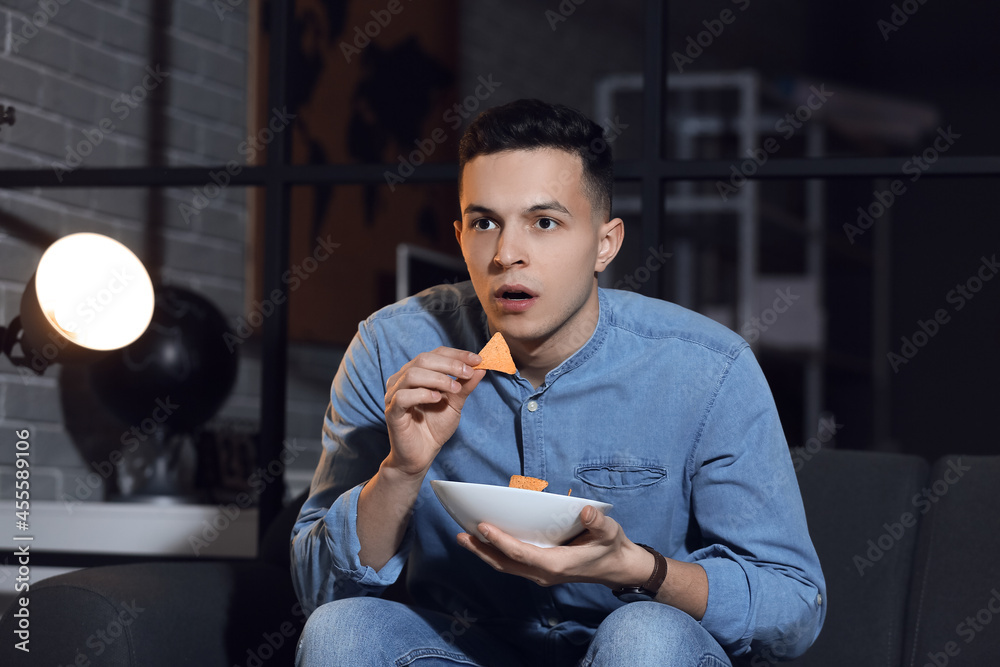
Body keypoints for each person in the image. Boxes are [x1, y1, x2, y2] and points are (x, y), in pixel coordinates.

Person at [291, 99, 826, 666]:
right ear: (460, 235)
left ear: (605, 243)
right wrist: (400, 473)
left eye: (544, 222)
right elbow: (316, 592)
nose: (506, 255)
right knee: (343, 630)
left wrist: (639, 569)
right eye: (484, 223)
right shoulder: (389, 348)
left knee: (645, 636)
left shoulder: (708, 368)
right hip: (463, 650)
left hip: (635, 651)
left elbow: (792, 608)